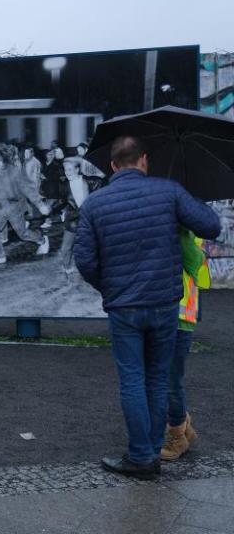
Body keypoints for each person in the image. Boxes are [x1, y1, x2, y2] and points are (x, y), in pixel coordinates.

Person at [74, 135, 220, 480]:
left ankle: (141, 457)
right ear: (143, 160)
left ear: (112, 166)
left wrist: (108, 285)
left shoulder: (95, 204)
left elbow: (83, 259)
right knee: (157, 379)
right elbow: (211, 225)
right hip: (165, 304)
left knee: (132, 380)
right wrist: (186, 200)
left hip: (124, 307)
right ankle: (151, 452)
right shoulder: (168, 192)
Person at [160, 228, 211, 461]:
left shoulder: (185, 229)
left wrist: (179, 234)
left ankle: (177, 436)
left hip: (179, 316)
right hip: (164, 312)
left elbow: (194, 262)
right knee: (163, 379)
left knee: (171, 380)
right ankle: (182, 424)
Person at [0, 150, 50, 267]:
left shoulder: (14, 172)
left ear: (0, 161)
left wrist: (40, 205)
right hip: (1, 207)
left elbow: (28, 189)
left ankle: (42, 240)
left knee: (23, 234)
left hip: (14, 207)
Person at [56, 157, 101, 275]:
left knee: (93, 246)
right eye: (66, 170)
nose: (67, 172)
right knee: (65, 247)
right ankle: (67, 267)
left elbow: (101, 187)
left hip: (89, 219)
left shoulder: (91, 182)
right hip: (73, 219)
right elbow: (61, 202)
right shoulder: (64, 185)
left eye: (70, 170)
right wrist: (50, 209)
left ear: (77, 169)